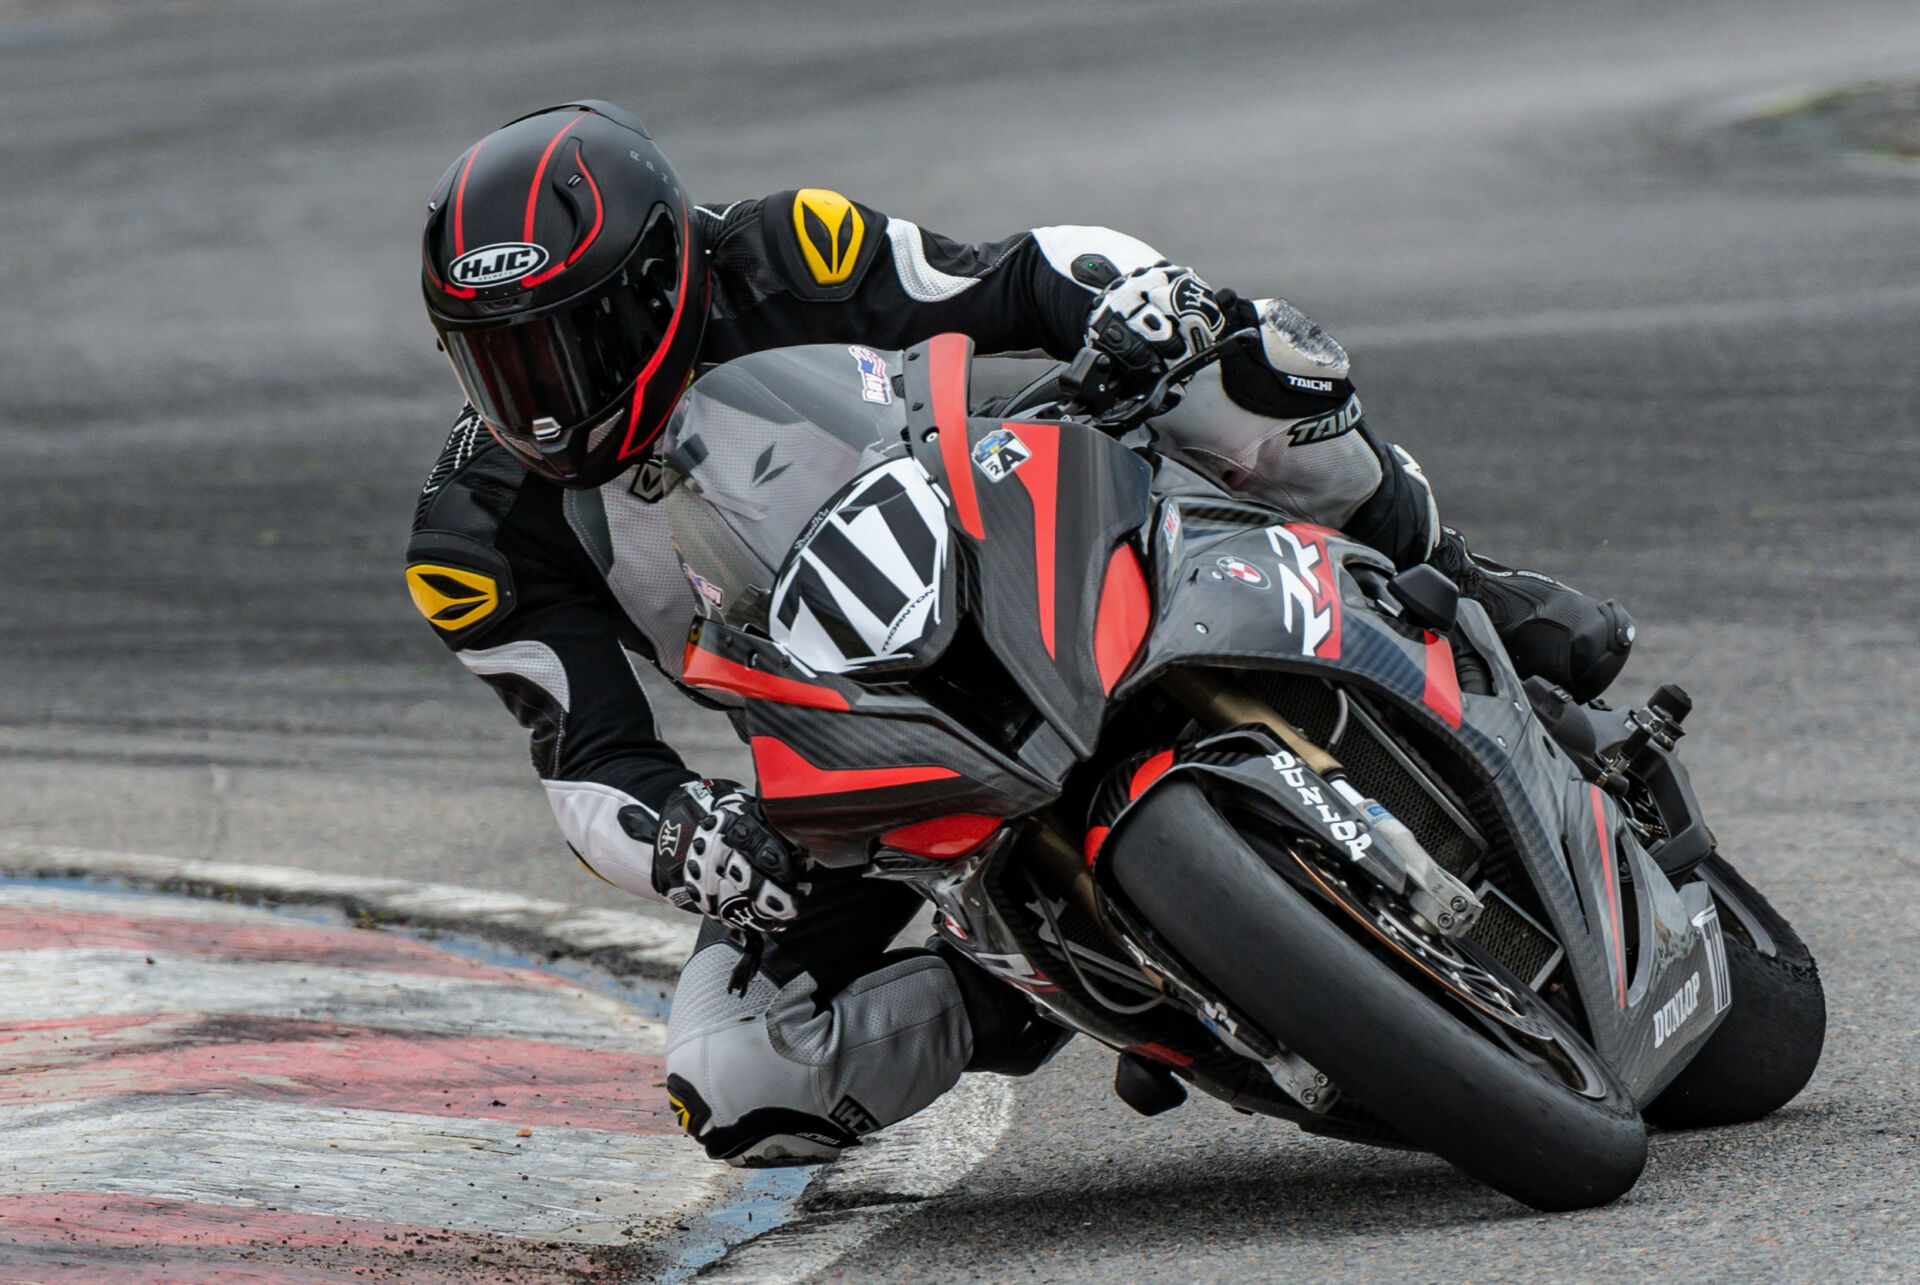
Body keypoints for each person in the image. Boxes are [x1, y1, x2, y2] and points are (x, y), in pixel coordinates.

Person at [407, 101, 1634, 1165]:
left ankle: (1467, 582)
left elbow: (1017, 274)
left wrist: (1142, 302)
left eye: (569, 342)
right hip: (853, 746)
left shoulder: (781, 248)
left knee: (1234, 369)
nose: (546, 396)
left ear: (662, 285)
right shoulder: (476, 539)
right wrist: (685, 840)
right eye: (501, 362)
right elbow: (588, 766)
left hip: (1002, 535)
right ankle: (1041, 980)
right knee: (735, 1075)